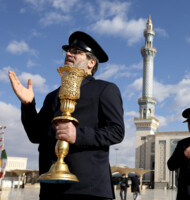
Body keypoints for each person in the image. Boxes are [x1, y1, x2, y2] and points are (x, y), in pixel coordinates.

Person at [8, 31, 125, 200]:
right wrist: (28, 105)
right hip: (50, 189)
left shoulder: (104, 89)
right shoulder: (53, 96)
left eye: (76, 51)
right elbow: (35, 135)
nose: (69, 54)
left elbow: (116, 131)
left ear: (91, 62)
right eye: (68, 51)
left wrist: (78, 135)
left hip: (87, 189)